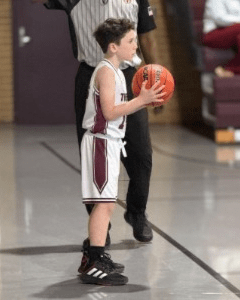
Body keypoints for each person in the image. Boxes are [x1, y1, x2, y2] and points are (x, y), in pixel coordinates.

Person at [38, 0, 159, 247]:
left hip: (128, 75)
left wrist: (156, 77)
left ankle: (137, 212)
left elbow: (146, 36)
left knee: (141, 154)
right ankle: (100, 226)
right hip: (91, 75)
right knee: (93, 156)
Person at [78, 18, 165, 285]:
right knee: (103, 206)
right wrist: (142, 100)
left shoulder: (116, 70)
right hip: (101, 142)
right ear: (113, 46)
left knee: (106, 205)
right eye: (130, 41)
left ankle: (93, 257)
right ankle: (94, 261)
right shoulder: (105, 71)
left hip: (110, 142)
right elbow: (110, 112)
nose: (135, 45)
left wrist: (142, 101)